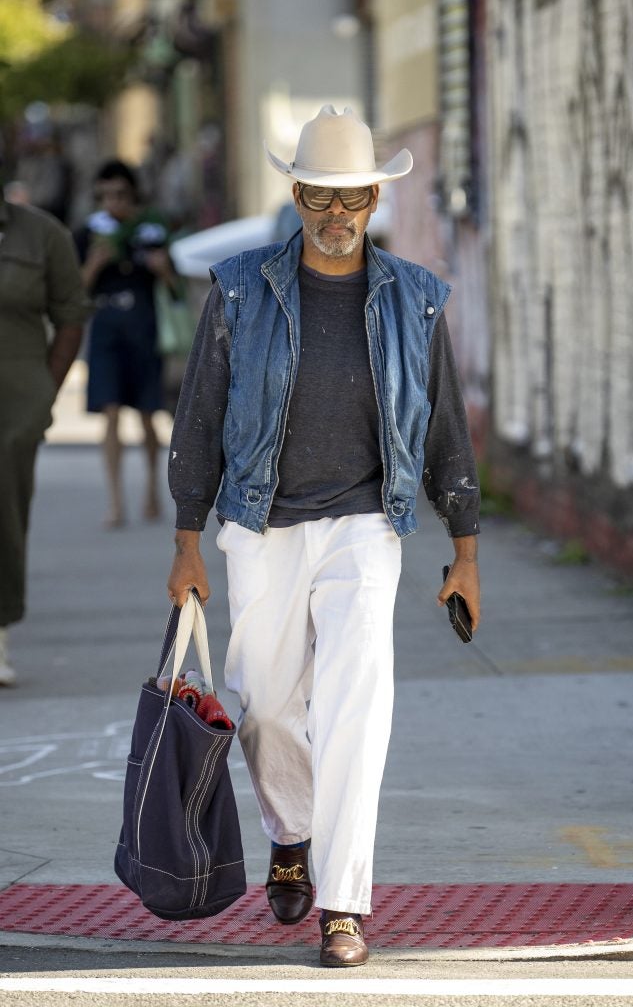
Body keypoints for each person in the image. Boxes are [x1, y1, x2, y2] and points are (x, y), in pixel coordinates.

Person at [166, 105, 481, 968]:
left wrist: (465, 549)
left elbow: (446, 426)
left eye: (351, 197)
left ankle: (343, 905)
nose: (334, 214)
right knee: (265, 704)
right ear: (297, 195)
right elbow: (198, 418)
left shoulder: (414, 299)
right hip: (259, 524)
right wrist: (187, 541)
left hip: (367, 528)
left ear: (375, 198)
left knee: (357, 711)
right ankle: (291, 830)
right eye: (317, 196)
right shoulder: (239, 288)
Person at [0, 188, 90, 686]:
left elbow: (71, 314)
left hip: (13, 401)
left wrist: (44, 392)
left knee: (5, 511)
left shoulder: (41, 234)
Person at [75, 159, 174, 527]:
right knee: (111, 412)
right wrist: (95, 265)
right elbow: (75, 290)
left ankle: (151, 490)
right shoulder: (89, 233)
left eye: (119, 194)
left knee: (148, 415)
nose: (111, 202)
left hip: (143, 326)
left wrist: (162, 268)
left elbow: (175, 289)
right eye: (104, 195)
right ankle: (115, 501)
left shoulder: (150, 230)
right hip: (106, 326)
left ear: (133, 194)